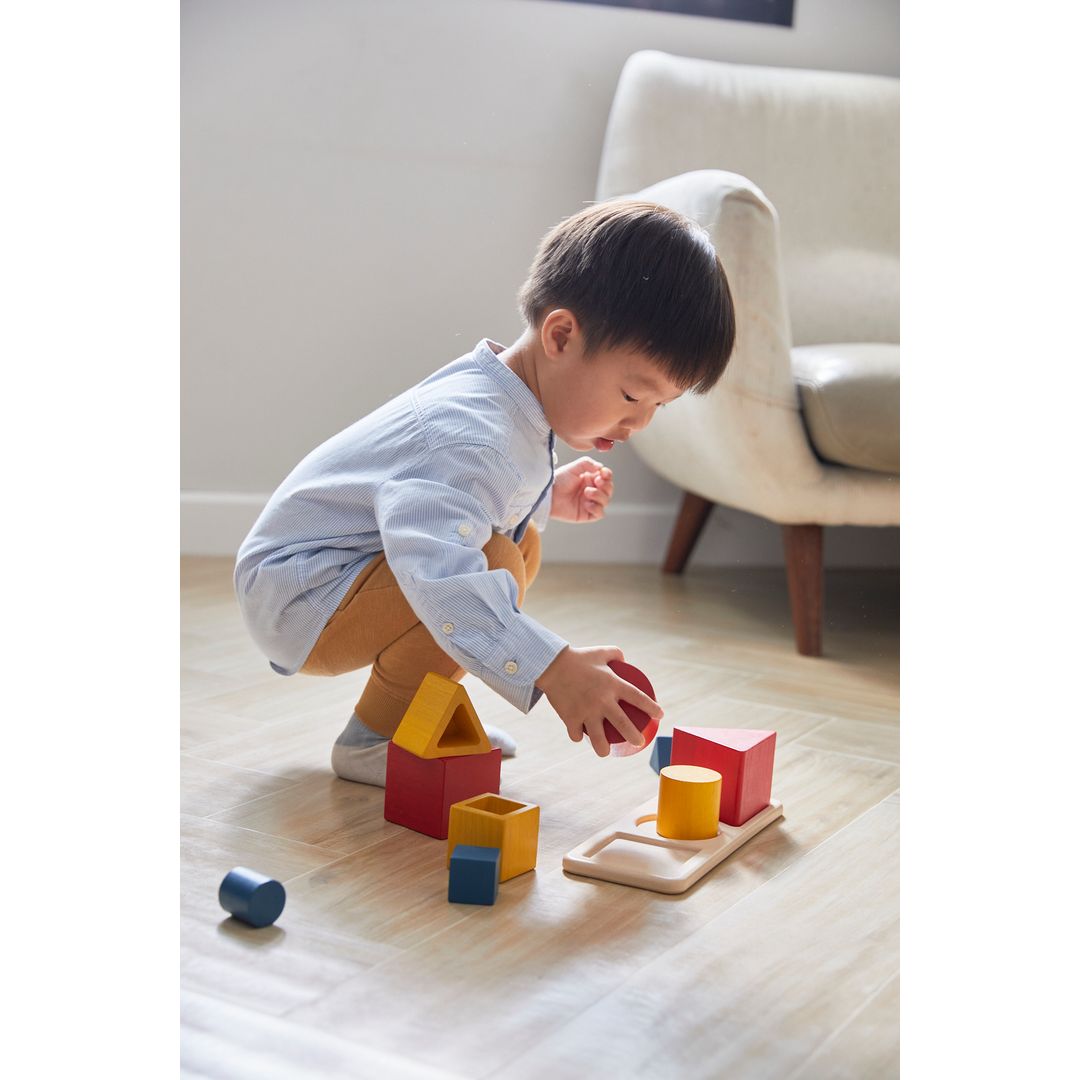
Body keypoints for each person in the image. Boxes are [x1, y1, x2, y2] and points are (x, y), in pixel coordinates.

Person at [234, 199, 736, 786]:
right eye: (632, 396)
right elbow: (445, 570)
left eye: (658, 407)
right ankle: (378, 740)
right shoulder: (468, 437)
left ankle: (423, 717)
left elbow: (454, 499)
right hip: (301, 594)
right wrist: (553, 666)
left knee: (517, 550)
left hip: (329, 576)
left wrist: (546, 495)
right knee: (490, 561)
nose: (640, 423)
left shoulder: (504, 401)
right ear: (562, 335)